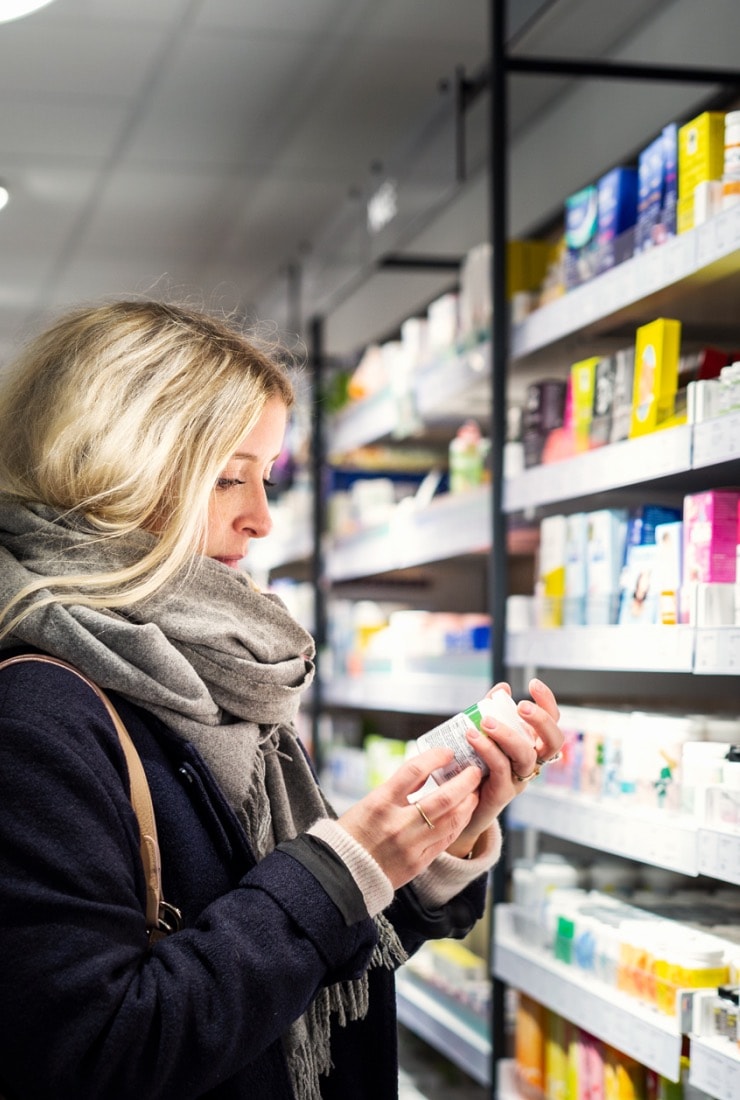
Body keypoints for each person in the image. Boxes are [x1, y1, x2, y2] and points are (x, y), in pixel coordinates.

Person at [0, 299, 563, 1100]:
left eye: (266, 478)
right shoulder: (35, 715)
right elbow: (89, 1055)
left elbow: (314, 964)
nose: (261, 519)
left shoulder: (224, 680)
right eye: (229, 477)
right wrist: (341, 868)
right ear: (113, 467)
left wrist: (431, 843)